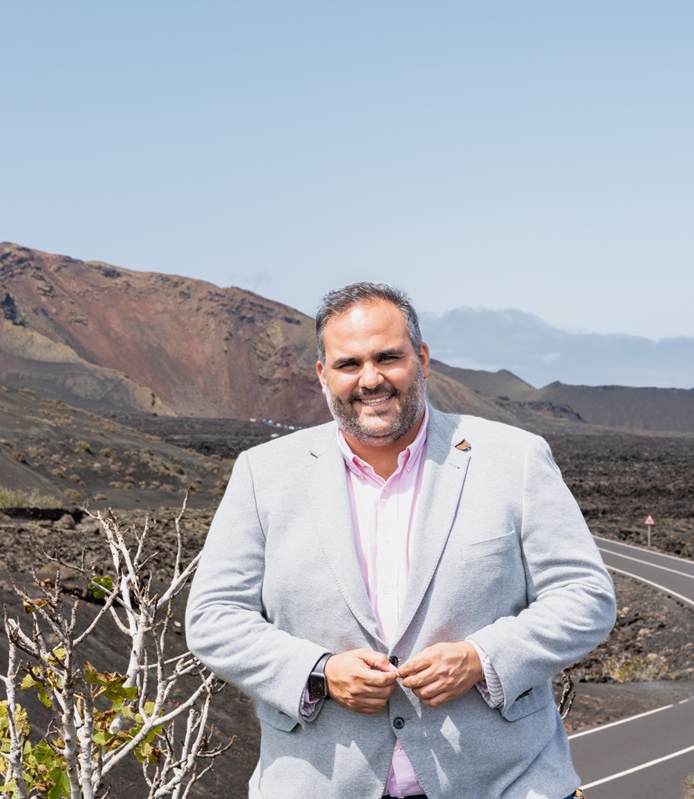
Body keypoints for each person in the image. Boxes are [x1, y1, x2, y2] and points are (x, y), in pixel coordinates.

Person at [186, 282, 615, 799]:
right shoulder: (263, 474)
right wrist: (318, 673)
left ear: (423, 359)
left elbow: (585, 597)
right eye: (349, 364)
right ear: (323, 375)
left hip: (506, 785)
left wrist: (483, 656)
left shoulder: (514, 459)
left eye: (388, 357)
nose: (371, 380)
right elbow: (213, 617)